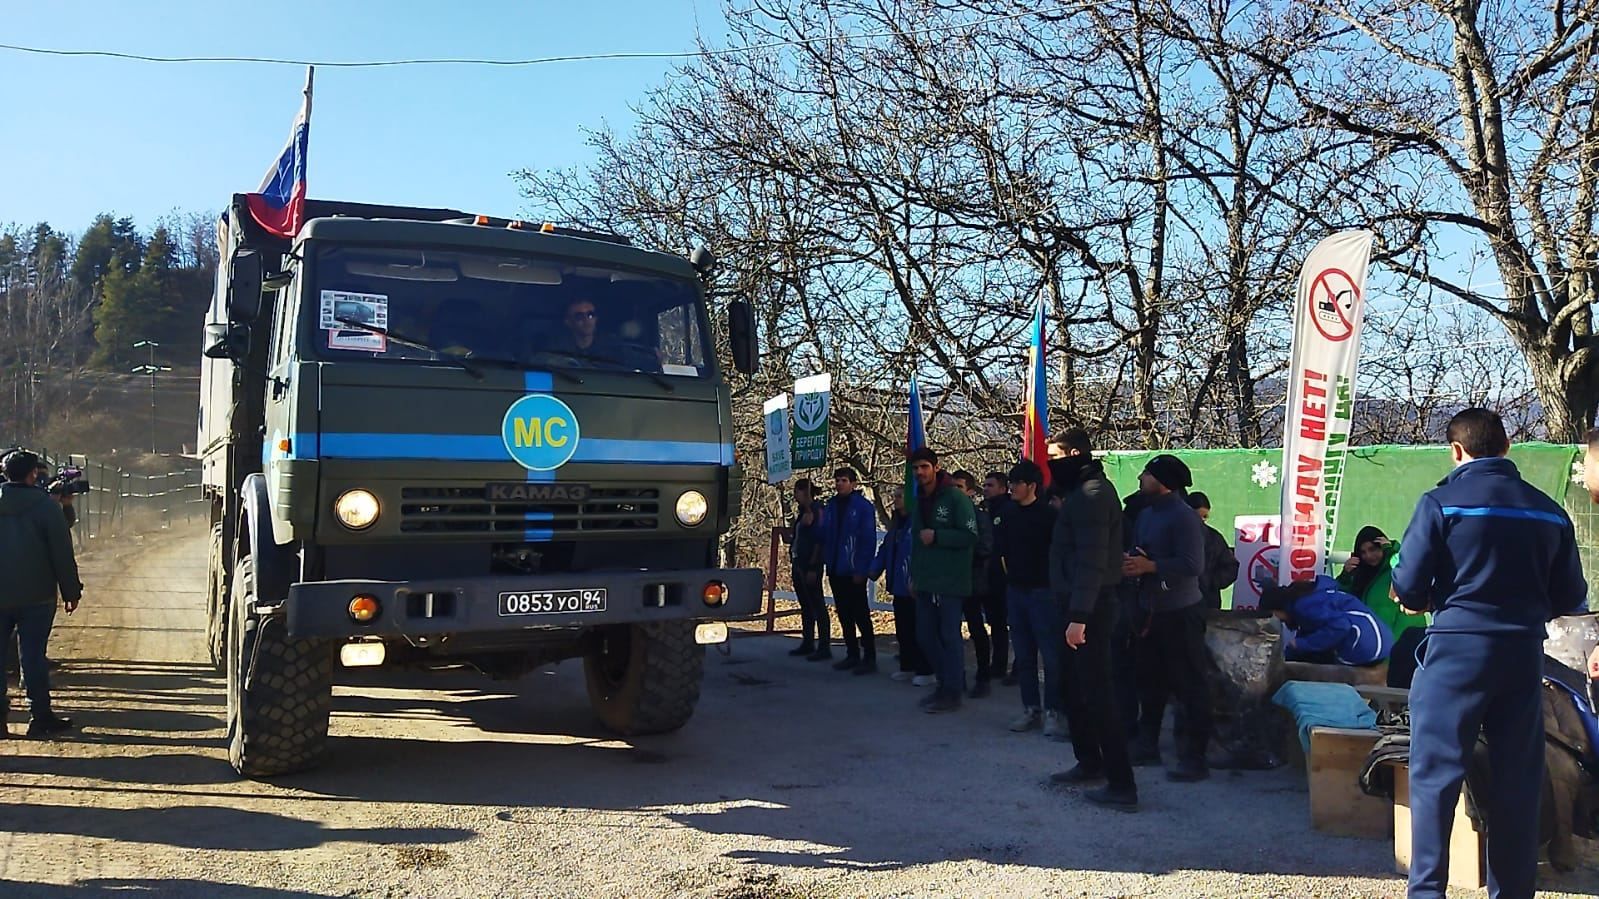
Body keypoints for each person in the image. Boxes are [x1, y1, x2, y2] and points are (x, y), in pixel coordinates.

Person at [1390, 409, 1587, 899]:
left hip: (1455, 651)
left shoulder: (1440, 503)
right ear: (1508, 447)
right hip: (1522, 655)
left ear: (1456, 451)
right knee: (1518, 781)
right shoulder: (1549, 511)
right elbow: (1569, 600)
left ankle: (1427, 892)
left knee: (1435, 778)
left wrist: (1420, 596)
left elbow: (1409, 587)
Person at [1046, 436, 1138, 811]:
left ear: (1072, 455)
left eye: (1053, 456)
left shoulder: (1093, 495)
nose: (1048, 463)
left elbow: (1092, 561)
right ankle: (1090, 762)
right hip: (1077, 604)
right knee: (1073, 688)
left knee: (1099, 694)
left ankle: (1122, 785)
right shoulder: (1081, 492)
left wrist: (1079, 617)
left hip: (1090, 608)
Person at [1122, 454, 1212, 782]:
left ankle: (1195, 756)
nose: (1141, 478)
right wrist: (1134, 561)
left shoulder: (1184, 517)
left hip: (1181, 612)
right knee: (1149, 681)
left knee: (1189, 685)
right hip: (1150, 610)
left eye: (1147, 473)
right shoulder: (1145, 514)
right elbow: (1145, 549)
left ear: (1163, 482)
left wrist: (1152, 567)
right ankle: (1147, 744)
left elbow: (1192, 565)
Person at [0, 450, 82, 738]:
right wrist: (71, 590)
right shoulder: (46, 507)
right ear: (33, 474)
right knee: (33, 656)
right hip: (37, 596)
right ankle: (40, 717)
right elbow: (61, 552)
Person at [994, 460, 1062, 735]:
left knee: (1050, 655)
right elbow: (1001, 549)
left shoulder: (1049, 516)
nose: (1011, 488)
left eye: (1016, 483)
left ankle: (1054, 711)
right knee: (1023, 656)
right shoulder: (1007, 513)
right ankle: (1030, 708)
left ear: (1032, 486)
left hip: (1043, 592)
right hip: (1016, 591)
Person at [909, 448, 978, 713]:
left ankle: (952, 691)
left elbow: (970, 536)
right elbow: (916, 541)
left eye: (925, 467)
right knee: (925, 636)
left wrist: (939, 537)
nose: (920, 472)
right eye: (916, 468)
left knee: (949, 636)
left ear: (936, 468)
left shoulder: (955, 498)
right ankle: (945, 682)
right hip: (926, 580)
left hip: (950, 579)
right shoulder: (920, 499)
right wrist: (914, 576)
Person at [1257, 574, 1394, 666]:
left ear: (1278, 608)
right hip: (1383, 642)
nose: (1277, 620)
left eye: (1274, 615)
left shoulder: (1303, 607)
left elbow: (1341, 626)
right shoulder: (1310, 597)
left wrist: (1301, 644)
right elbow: (1312, 631)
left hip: (1367, 647)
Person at [821, 467, 879, 674]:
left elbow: (868, 540)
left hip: (854, 567)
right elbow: (824, 533)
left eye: (844, 480)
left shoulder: (863, 507)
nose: (839, 484)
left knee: (860, 614)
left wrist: (862, 568)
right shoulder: (831, 506)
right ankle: (852, 653)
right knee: (844, 613)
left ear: (853, 483)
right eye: (837, 480)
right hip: (836, 567)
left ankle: (869, 656)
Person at [872, 489, 932, 685]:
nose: (895, 499)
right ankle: (907, 666)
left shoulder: (918, 523)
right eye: (894, 495)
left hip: (915, 586)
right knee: (903, 629)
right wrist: (873, 570)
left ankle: (926, 670)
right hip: (898, 586)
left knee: (920, 630)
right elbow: (886, 550)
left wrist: (919, 578)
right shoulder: (896, 525)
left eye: (899, 495)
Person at [1338, 526, 1427, 642]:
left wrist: (1391, 552)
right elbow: (1341, 601)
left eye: (1373, 549)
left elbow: (1408, 569)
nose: (1368, 556)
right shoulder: (1362, 575)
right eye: (1363, 552)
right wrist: (1345, 577)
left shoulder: (1394, 569)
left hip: (1405, 641)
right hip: (1378, 646)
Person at [953, 469, 997, 698]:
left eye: (959, 487)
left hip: (973, 580)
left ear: (970, 491)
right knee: (948, 629)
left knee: (976, 629)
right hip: (950, 581)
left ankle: (983, 675)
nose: (955, 492)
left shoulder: (980, 516)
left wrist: (961, 553)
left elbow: (985, 547)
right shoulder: (947, 515)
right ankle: (953, 676)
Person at [786, 479, 828, 659]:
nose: (795, 496)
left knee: (817, 603)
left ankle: (824, 645)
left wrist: (813, 566)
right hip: (798, 562)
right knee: (806, 604)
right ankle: (808, 641)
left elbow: (819, 540)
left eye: (797, 491)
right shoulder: (802, 513)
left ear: (805, 492)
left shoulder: (817, 511)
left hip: (810, 564)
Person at [981, 470, 1014, 685]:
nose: (986, 489)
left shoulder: (1008, 510)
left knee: (1011, 624)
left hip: (1006, 577)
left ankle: (1015, 666)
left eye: (990, 485)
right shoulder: (984, 510)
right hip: (989, 576)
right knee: (996, 623)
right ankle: (998, 664)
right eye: (984, 485)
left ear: (1003, 488)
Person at [1184, 492, 1239, 610]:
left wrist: (1210, 582)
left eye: (1205, 517)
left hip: (1208, 602)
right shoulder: (1173, 535)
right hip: (1180, 602)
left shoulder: (1214, 538)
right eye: (1198, 516)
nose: (1201, 521)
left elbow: (1231, 567)